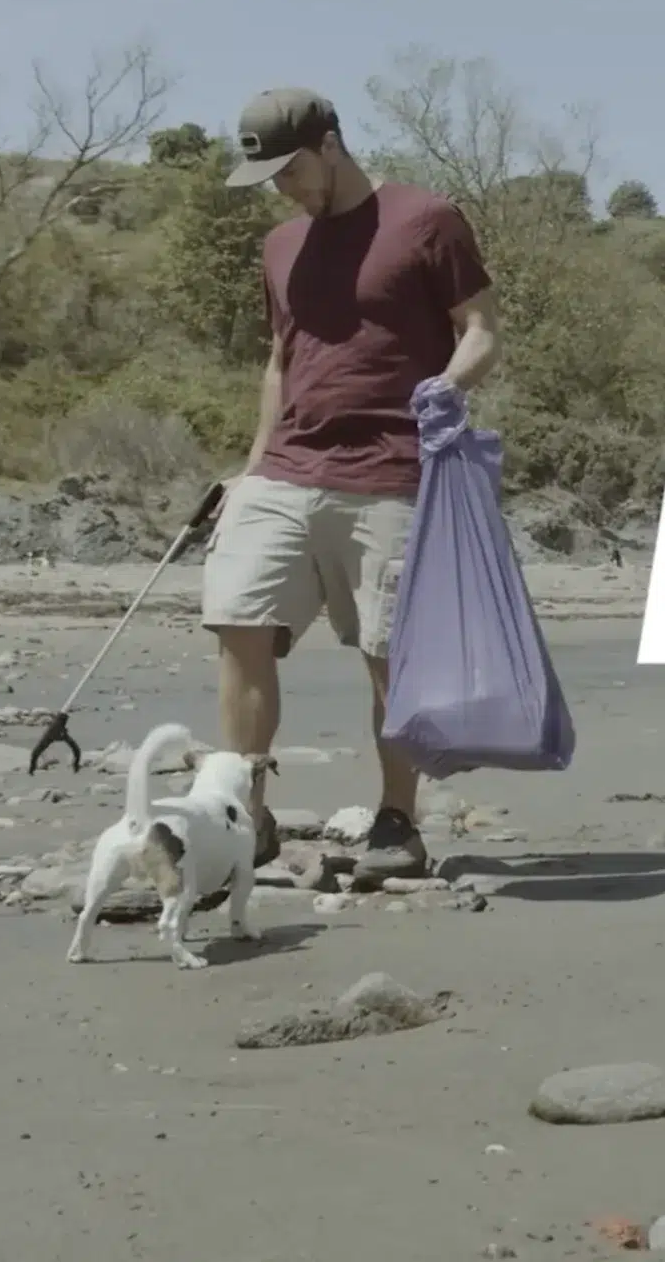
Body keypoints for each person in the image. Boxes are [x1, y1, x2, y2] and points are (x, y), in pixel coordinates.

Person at [202, 87, 503, 885]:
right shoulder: (279, 247)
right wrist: (250, 466)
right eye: (267, 176)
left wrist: (448, 385)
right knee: (238, 619)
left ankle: (397, 820)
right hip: (287, 471)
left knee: (387, 654)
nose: (281, 188)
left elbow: (482, 328)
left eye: (290, 169)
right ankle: (247, 817)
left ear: (330, 145)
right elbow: (279, 360)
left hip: (392, 473)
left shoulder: (427, 220)